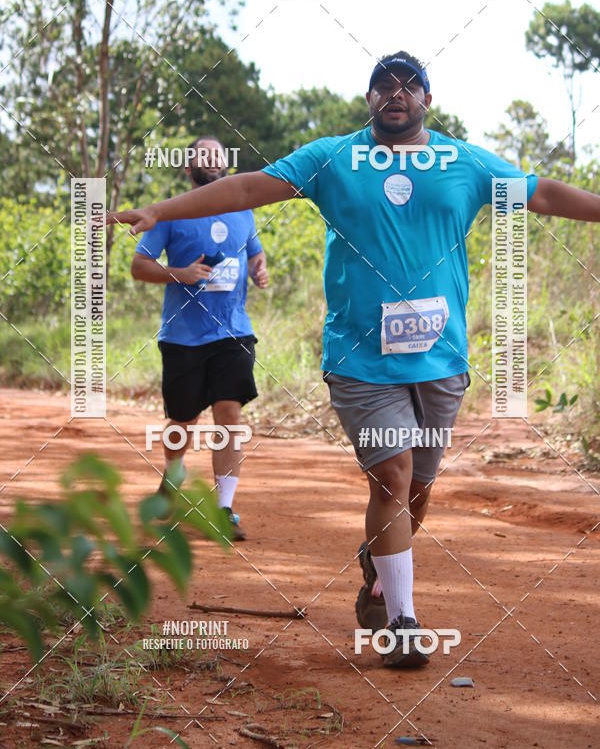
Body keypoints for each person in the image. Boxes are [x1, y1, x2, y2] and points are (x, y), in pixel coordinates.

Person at [109, 51, 600, 667]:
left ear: (428, 99)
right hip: (361, 357)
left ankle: (376, 560)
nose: (395, 94)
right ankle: (400, 623)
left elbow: (543, 192)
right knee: (392, 476)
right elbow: (246, 187)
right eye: (383, 85)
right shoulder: (333, 158)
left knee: (418, 489)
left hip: (442, 359)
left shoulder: (464, 162)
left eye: (409, 86)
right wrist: (162, 210)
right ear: (369, 98)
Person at [131, 136, 269, 540]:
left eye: (217, 154)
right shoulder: (173, 213)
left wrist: (260, 270)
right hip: (183, 337)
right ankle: (173, 475)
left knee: (229, 413)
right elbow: (139, 266)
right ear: (188, 169)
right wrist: (179, 273)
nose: (211, 159)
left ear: (226, 164)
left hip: (234, 331)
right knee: (183, 420)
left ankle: (224, 507)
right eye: (201, 155)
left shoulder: (242, 209)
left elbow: (255, 253)